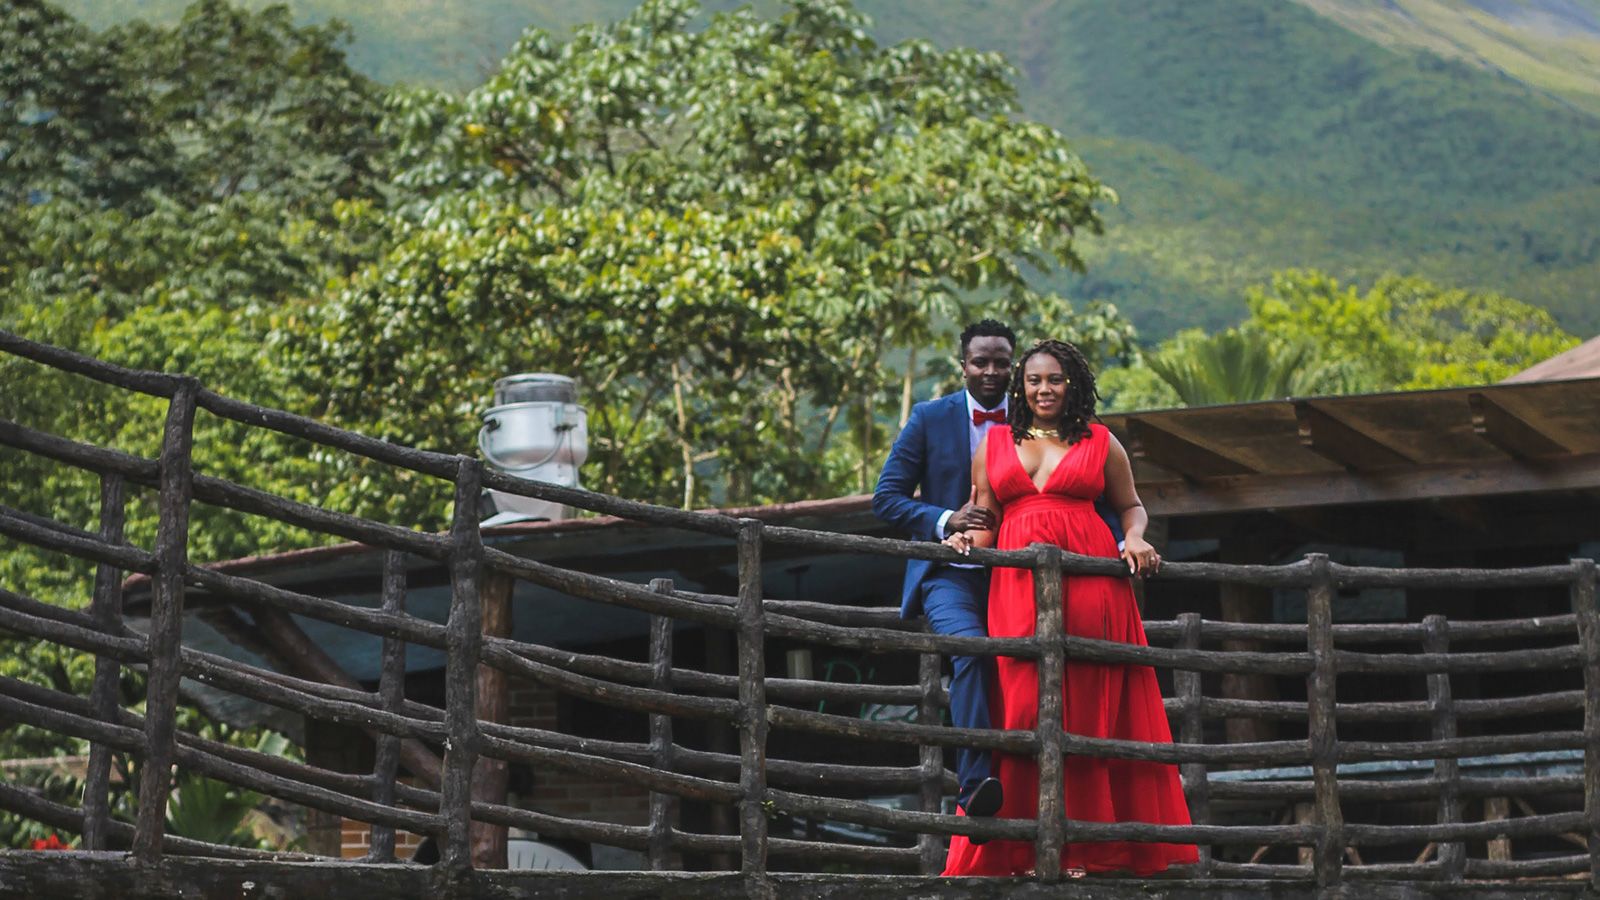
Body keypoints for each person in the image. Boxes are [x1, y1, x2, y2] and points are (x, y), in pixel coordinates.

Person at [940, 338, 1198, 877]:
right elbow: (985, 518)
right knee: (1020, 709)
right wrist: (964, 540)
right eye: (1034, 380)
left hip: (1091, 585)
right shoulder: (993, 444)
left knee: (1084, 710)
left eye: (1054, 379)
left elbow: (1131, 506)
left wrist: (1135, 539)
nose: (1044, 389)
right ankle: (1018, 847)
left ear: (1072, 383)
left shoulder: (1102, 442)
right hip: (1015, 587)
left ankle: (1084, 848)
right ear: (1021, 386)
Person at [872, 321, 1125, 828]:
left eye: (1001, 363)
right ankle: (977, 787)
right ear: (962, 365)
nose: (990, 371)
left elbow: (1098, 499)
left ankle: (1061, 810)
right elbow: (887, 499)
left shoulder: (1047, 414)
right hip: (954, 570)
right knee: (975, 653)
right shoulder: (928, 418)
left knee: (1044, 680)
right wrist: (947, 521)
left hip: (1023, 576)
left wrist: (1121, 545)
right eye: (979, 362)